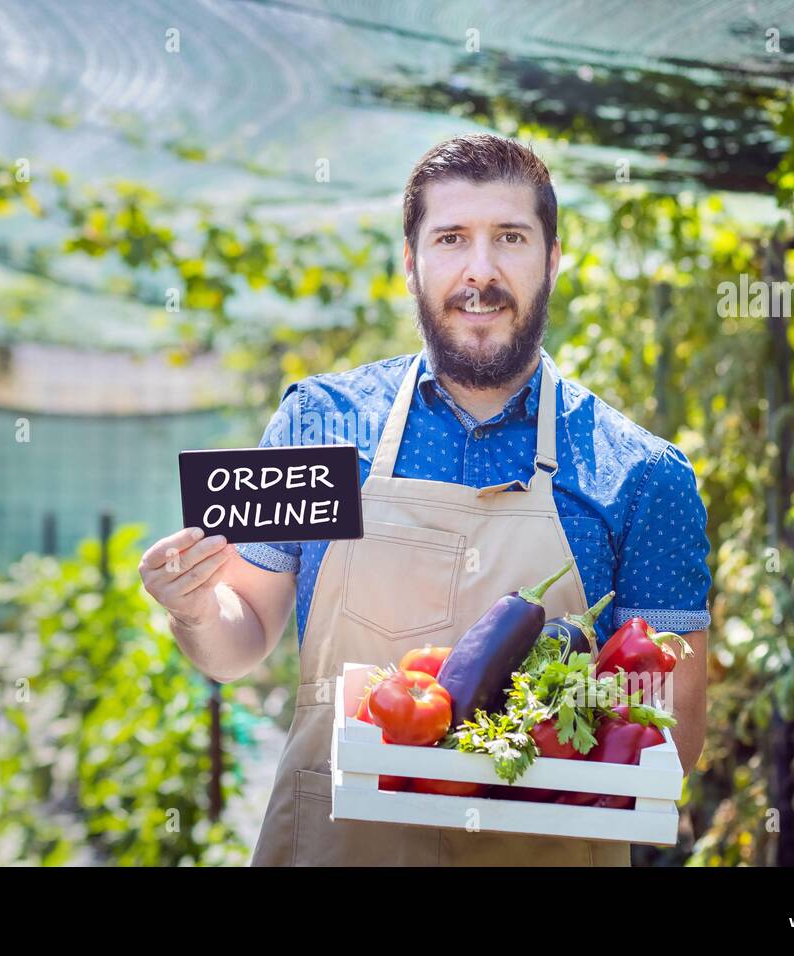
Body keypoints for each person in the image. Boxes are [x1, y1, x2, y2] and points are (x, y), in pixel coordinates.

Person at [139, 133, 711, 866]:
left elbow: (673, 736)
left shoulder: (642, 475)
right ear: (410, 263)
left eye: (510, 237)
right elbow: (241, 635)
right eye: (451, 239)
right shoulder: (320, 424)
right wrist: (194, 609)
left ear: (553, 260)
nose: (481, 271)